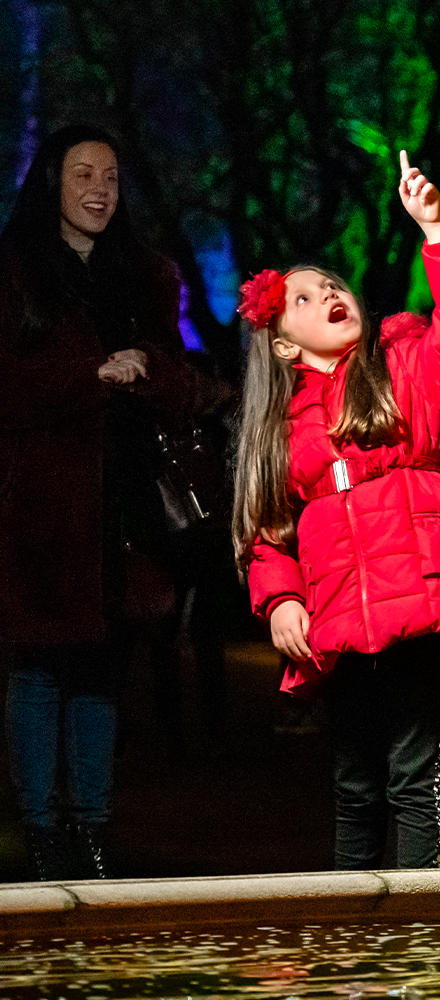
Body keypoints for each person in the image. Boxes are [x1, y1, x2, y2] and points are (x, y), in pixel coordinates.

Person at [233, 151, 440, 870]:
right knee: (354, 786)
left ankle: (418, 926)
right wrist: (281, 600)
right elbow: (268, 533)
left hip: (424, 596)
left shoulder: (406, 365)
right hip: (339, 617)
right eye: (303, 297)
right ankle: (350, 925)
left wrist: (437, 232)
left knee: (417, 780)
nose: (329, 292)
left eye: (331, 284)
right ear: (282, 343)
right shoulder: (280, 430)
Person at [1, 124, 195, 880]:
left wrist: (147, 365)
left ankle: (92, 830)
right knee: (39, 667)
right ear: (50, 180)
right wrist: (89, 379)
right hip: (39, 507)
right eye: (83, 173)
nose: (99, 189)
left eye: (110, 176)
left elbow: (183, 384)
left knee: (102, 669)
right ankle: (42, 830)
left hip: (123, 507)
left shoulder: (144, 274)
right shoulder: (15, 270)